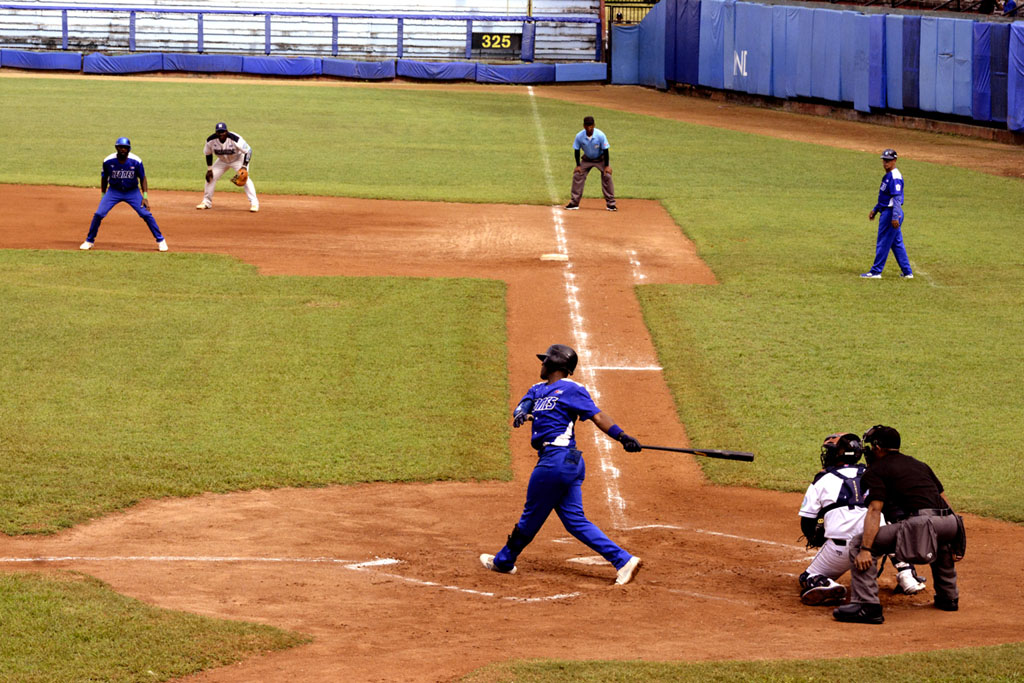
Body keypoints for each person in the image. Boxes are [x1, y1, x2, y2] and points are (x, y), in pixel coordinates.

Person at [480, 344, 642, 585]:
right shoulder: (537, 389)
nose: (542, 363)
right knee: (575, 520)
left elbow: (597, 415)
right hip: (566, 462)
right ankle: (623, 560)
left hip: (556, 461)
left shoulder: (572, 389)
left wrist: (622, 436)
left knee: (531, 517)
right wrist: (521, 413)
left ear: (555, 363)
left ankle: (504, 561)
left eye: (545, 360)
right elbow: (523, 405)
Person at [833, 425, 964, 624]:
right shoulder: (919, 464)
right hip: (949, 523)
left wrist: (866, 549)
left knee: (859, 544)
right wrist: (956, 535)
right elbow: (943, 499)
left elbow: (875, 509)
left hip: (921, 524)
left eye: (871, 446)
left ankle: (867, 606)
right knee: (941, 542)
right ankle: (949, 598)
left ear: (878, 447)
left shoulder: (876, 470)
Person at [798, 432, 925, 606]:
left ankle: (827, 584)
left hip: (842, 549)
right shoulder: (876, 473)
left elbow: (807, 521)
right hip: (878, 544)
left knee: (807, 577)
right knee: (888, 526)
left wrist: (817, 538)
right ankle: (907, 575)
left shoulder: (822, 479)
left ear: (837, 455)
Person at [80, 137, 166, 252]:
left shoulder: (136, 161)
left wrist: (145, 197)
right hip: (114, 191)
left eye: (125, 148)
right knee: (99, 214)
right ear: (116, 147)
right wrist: (103, 195)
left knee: (145, 214)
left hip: (132, 191)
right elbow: (104, 178)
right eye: (120, 147)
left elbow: (143, 178)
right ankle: (89, 241)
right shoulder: (108, 161)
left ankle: (161, 240)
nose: (123, 149)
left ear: (129, 149)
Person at [861, 149, 912, 279]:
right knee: (896, 243)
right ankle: (907, 272)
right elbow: (885, 197)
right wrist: (875, 210)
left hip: (891, 213)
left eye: (888, 160)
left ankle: (876, 271)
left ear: (895, 160)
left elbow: (896, 199)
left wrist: (894, 216)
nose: (885, 163)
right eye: (884, 160)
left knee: (883, 242)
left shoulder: (895, 177)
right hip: (888, 211)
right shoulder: (888, 176)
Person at [196, 122, 259, 212]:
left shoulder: (235, 138)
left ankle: (254, 203)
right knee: (210, 177)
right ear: (216, 132)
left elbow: (248, 151)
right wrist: (209, 169)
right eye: (219, 132)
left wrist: (244, 166)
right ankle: (206, 203)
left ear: (227, 131)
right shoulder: (210, 140)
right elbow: (208, 154)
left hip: (238, 159)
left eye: (223, 132)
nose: (221, 134)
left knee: (244, 178)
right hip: (222, 161)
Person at [565, 116, 617, 212]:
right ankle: (574, 203)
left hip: (601, 159)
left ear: (594, 125)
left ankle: (611, 204)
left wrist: (607, 166)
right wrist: (578, 165)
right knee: (577, 175)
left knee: (607, 176)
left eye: (591, 125)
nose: (589, 127)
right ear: (584, 126)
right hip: (587, 159)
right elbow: (576, 150)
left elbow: (606, 150)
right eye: (587, 125)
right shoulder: (579, 136)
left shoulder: (600, 135)